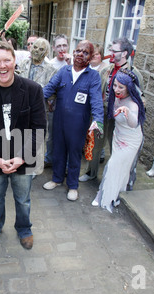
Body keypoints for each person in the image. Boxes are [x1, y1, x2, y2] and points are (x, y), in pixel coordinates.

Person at [0, 41, 47, 249]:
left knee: (23, 200)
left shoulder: (32, 90)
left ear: (14, 61)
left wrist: (22, 157)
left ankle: (24, 229)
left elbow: (39, 128)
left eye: (6, 60)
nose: (2, 66)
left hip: (24, 157)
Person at [42, 40, 104, 201]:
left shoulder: (93, 77)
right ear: (73, 52)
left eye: (85, 52)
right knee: (58, 150)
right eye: (78, 51)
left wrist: (98, 120)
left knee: (75, 155)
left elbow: (96, 101)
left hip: (78, 124)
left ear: (90, 57)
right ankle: (56, 179)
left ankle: (73, 186)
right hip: (59, 120)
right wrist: (31, 97)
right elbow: (48, 89)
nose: (80, 54)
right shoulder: (64, 71)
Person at [79, 38, 144, 183]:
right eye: (111, 50)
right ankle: (91, 172)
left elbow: (140, 99)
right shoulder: (105, 71)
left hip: (121, 119)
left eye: (114, 51)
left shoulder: (135, 74)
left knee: (118, 149)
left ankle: (115, 178)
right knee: (95, 145)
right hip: (103, 114)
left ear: (125, 53)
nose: (111, 54)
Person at [92, 68, 145, 212]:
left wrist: (127, 113)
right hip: (118, 136)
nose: (116, 89)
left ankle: (102, 195)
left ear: (130, 87)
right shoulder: (115, 98)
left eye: (121, 87)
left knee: (113, 166)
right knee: (117, 167)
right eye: (114, 85)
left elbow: (134, 124)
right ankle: (114, 195)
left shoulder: (133, 104)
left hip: (130, 140)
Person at [19, 37, 57, 175]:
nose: (37, 51)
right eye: (35, 47)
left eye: (41, 49)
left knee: (37, 139)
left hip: (39, 110)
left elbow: (53, 93)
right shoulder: (23, 64)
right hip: (21, 108)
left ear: (46, 52)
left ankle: (34, 168)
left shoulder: (51, 70)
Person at [45, 34, 73, 168]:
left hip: (69, 106)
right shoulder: (50, 64)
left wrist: (70, 65)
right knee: (51, 135)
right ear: (54, 48)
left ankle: (66, 164)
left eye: (64, 45)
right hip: (53, 105)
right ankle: (49, 158)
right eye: (58, 46)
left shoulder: (75, 63)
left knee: (68, 135)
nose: (62, 49)